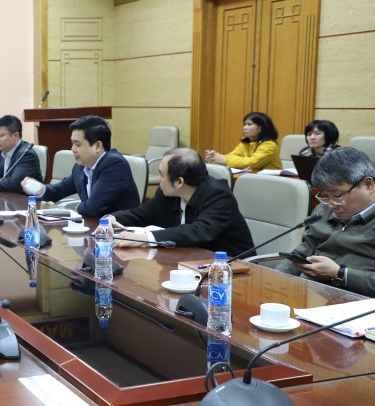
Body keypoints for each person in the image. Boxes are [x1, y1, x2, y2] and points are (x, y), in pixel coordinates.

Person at [106, 148, 255, 257]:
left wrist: (146, 238)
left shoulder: (218, 196)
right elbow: (143, 213)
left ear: (179, 182)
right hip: (189, 261)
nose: (159, 180)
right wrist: (112, 218)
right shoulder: (168, 193)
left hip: (232, 269)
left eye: (161, 175)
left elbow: (197, 231)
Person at [274, 147, 375, 296]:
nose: (332, 205)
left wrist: (340, 273)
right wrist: (275, 280)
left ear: (368, 184)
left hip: (358, 302)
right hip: (310, 294)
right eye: (326, 196)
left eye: (338, 195)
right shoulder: (323, 210)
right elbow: (303, 252)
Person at [20, 115, 139, 217]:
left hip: (122, 232)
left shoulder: (114, 165)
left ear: (98, 146)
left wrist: (71, 208)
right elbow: (59, 191)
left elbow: (92, 208)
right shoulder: (81, 167)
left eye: (78, 144)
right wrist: (40, 189)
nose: (73, 149)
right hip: (95, 228)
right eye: (72, 143)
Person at [0, 114, 43, 193]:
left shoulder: (26, 155)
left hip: (25, 199)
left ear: (16, 136)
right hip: (4, 198)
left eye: (0, 136)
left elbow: (15, 184)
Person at [205, 111, 282, 170]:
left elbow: (252, 163)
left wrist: (224, 160)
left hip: (270, 181)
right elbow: (232, 156)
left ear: (260, 128)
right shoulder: (245, 143)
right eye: (244, 124)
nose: (244, 128)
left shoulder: (269, 145)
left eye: (249, 124)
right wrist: (215, 157)